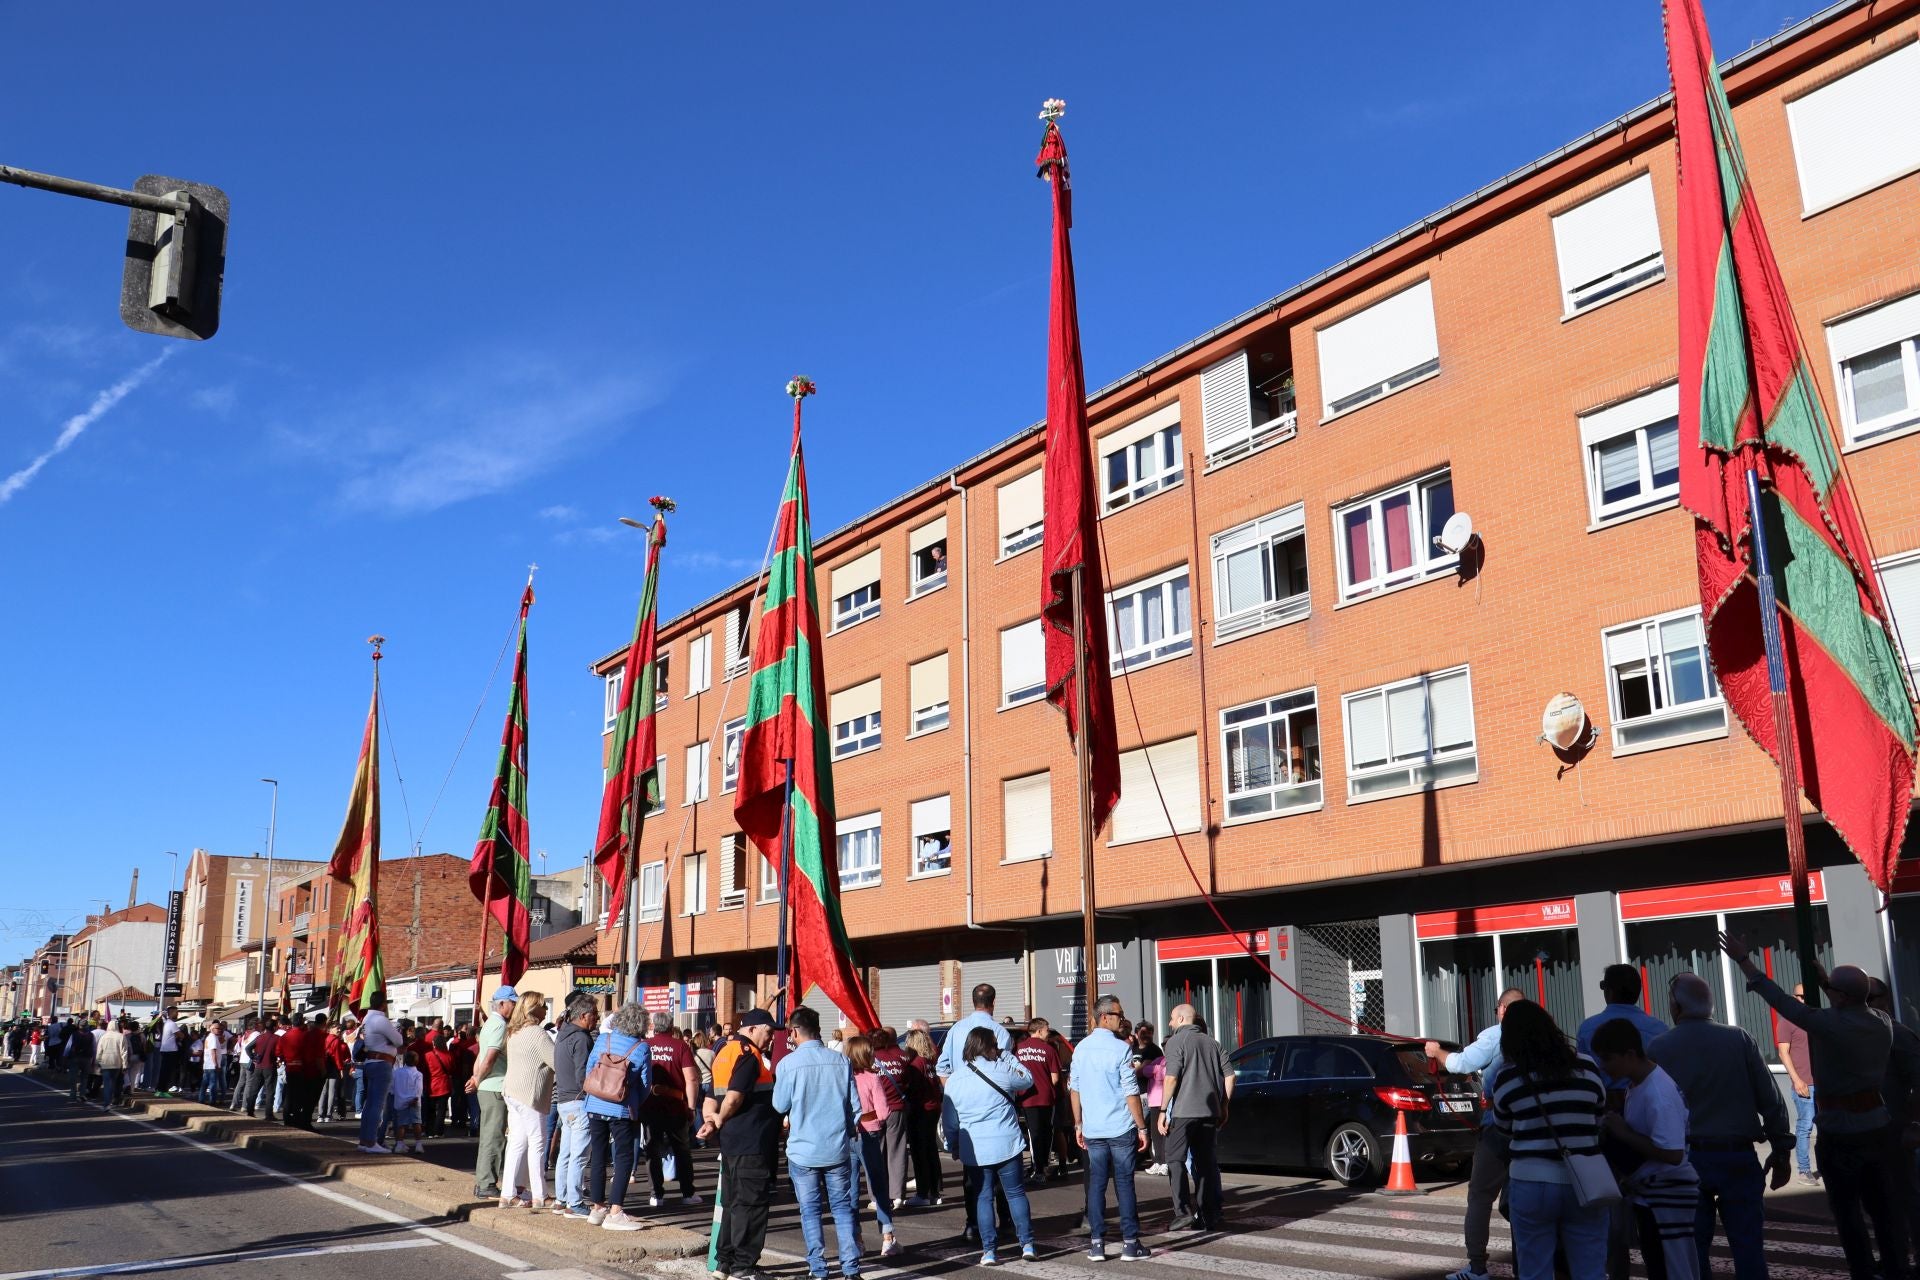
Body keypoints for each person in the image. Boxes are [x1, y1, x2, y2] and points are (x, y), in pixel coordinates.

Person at [1719, 932, 1910, 1277]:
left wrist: (1744, 961)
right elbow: (1849, 1005)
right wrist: (1827, 984)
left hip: (1840, 1127)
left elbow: (1780, 1000)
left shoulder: (1829, 1025)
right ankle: (1895, 1268)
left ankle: (1863, 1271)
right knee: (1883, 1207)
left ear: (1840, 996)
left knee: (1847, 1211)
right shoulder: (1881, 1022)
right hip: (1877, 1122)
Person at [1646, 971, 1791, 1280]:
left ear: (1676, 1006)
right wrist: (1781, 1149)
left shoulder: (1659, 1048)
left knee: (1694, 1251)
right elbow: (1771, 1099)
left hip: (1686, 1158)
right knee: (1749, 1248)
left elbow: (1652, 1108)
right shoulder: (1739, 1039)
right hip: (1737, 1154)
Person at [1488, 998, 1608, 1280]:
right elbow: (1598, 1117)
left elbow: (1503, 1127)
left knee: (1534, 1269)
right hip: (1585, 1180)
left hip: (1531, 1181)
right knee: (1590, 1268)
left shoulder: (1508, 1076)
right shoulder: (1587, 1067)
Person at [1428, 987, 1527, 1280]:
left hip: (1497, 1126)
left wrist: (1436, 1052)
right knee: (1522, 1197)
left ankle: (1477, 1266)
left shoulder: (1495, 1036)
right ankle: (1525, 1265)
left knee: (1481, 1196)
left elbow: (1461, 1063)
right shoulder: (1538, 1038)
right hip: (1530, 1125)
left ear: (1502, 1009)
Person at [1592, 1019, 1699, 1280]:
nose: (1603, 1066)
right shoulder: (1640, 1084)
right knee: (1661, 1264)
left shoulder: (1657, 1092)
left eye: (1607, 1058)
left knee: (1668, 1267)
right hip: (1653, 1194)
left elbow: (1672, 1153)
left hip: (1664, 1195)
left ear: (1630, 1054)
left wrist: (1623, 1133)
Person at [773, 1006, 863, 1280]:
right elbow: (855, 1107)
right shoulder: (841, 1061)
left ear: (794, 1031)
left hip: (803, 1149)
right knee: (842, 1209)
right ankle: (851, 1269)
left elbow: (779, 1105)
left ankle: (818, 1268)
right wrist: (846, 1130)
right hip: (836, 1148)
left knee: (810, 1211)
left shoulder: (788, 1064)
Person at [945, 1024, 1038, 1265]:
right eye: (996, 1046)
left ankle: (989, 1250)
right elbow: (1027, 1079)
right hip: (1007, 1143)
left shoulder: (955, 1080)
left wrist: (953, 1144)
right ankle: (1027, 1244)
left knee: (983, 1197)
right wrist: (1009, 1057)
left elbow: (950, 1120)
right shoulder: (1002, 1070)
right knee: (1015, 1193)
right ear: (989, 1047)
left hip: (975, 1148)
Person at [1069, 994, 1152, 1262]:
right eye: (1119, 1014)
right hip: (1119, 1127)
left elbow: (1074, 1089)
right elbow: (1130, 1092)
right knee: (1124, 1184)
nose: (1122, 1019)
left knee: (1096, 1185)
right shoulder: (1120, 1049)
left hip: (1093, 1128)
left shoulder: (1081, 1049)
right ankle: (1130, 1243)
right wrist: (1142, 1127)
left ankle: (1096, 1244)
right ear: (1104, 1017)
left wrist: (1078, 1123)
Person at [702, 1007, 781, 1280]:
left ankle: (724, 1263)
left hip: (732, 1143)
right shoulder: (748, 1055)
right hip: (752, 1141)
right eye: (768, 1032)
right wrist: (720, 1118)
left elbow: (710, 1097)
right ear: (752, 1029)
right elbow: (734, 1097)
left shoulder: (724, 1053)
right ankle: (743, 1267)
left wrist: (710, 1121)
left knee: (733, 1204)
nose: (771, 1037)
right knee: (751, 1205)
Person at [937, 985, 1013, 1243]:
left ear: (973, 1002)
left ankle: (973, 1225)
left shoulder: (956, 1030)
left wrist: (955, 1091)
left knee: (972, 1173)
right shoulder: (1000, 1032)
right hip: (994, 1106)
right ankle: (1005, 1221)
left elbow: (942, 1068)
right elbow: (1005, 1070)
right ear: (994, 1002)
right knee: (1001, 1168)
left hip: (965, 1107)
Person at [1159, 1001, 1232, 1231]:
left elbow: (1171, 1078)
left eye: (1172, 1018)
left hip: (1184, 1111)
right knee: (1205, 1162)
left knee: (1174, 1158)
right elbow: (1230, 1076)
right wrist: (1224, 1105)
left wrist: (1163, 1110)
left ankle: (1182, 1211)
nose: (1170, 1023)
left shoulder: (1176, 1041)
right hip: (1209, 1112)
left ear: (1181, 1019)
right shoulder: (1213, 1043)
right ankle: (1208, 1214)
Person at [1865, 975, 1920, 1269]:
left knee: (1907, 1196)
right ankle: (1895, 1258)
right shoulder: (1866, 1035)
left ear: (1884, 1000)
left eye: (1869, 999)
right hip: (1874, 1131)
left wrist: (1913, 1125)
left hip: (1897, 1130)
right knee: (1884, 1199)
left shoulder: (1898, 1035)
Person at [584, 999, 652, 1231]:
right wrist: (634, 1102)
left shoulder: (604, 1039)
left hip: (594, 1104)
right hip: (621, 1108)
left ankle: (597, 1207)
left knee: (598, 1155)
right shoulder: (641, 1048)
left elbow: (590, 1069)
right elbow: (645, 1085)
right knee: (623, 1157)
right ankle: (615, 1211)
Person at [845, 1034, 902, 1259]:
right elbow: (884, 1111)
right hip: (869, 1134)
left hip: (848, 1134)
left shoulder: (843, 1078)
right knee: (878, 1185)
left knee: (850, 1190)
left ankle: (856, 1239)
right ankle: (887, 1237)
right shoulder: (872, 1078)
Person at [501, 991, 555, 1210]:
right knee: (537, 1143)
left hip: (512, 1091)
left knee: (517, 1143)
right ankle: (540, 1195)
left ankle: (507, 1194)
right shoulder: (538, 1033)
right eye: (543, 1005)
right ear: (534, 1009)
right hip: (530, 1095)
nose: (546, 1009)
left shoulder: (514, 1032)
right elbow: (556, 1062)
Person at [643, 1011, 701, 1206]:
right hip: (676, 1107)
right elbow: (691, 1079)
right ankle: (687, 1193)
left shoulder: (645, 1045)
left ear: (653, 1026)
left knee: (653, 1150)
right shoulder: (681, 1046)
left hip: (650, 1106)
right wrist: (691, 1107)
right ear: (670, 1026)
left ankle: (656, 1195)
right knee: (682, 1149)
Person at [467, 985, 518, 1200]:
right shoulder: (499, 1025)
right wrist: (477, 1079)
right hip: (495, 1086)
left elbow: (481, 1057)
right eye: (513, 1003)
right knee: (494, 1137)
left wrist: (476, 1077)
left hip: (488, 1086)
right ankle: (487, 1183)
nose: (515, 1007)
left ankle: (483, 1181)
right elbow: (489, 1057)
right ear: (502, 1003)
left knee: (489, 1136)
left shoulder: (490, 1024)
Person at [551, 992, 599, 1219]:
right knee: (578, 1155)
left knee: (566, 1154)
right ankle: (575, 1202)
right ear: (584, 1015)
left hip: (563, 1100)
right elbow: (583, 1073)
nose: (597, 1018)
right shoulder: (582, 1038)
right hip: (578, 1101)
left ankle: (561, 1199)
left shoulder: (562, 1034)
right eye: (594, 1014)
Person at [1776, 984, 1818, 1184]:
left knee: (1827, 1127)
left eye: (1806, 996)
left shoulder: (1816, 1020)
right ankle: (1804, 1171)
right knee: (1805, 1127)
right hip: (1804, 1084)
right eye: (1800, 996)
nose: (1803, 999)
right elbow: (1783, 1052)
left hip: (1823, 1084)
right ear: (1794, 997)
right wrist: (1797, 1080)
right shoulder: (1787, 1021)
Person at [867, 1028, 913, 1212]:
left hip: (876, 1111)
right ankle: (898, 1195)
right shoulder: (900, 1058)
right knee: (897, 1152)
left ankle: (877, 1196)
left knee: (875, 1154)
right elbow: (908, 1081)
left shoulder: (869, 1060)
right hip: (897, 1109)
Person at [1012, 1019, 1061, 1184]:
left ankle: (1037, 1168)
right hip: (1046, 1096)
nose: (1048, 1033)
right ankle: (1042, 1167)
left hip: (1027, 1096)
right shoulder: (1049, 1049)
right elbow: (1055, 1078)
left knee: (1034, 1133)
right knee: (1046, 1132)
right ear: (1039, 1031)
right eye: (1047, 1030)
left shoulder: (1019, 1049)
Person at [902, 1026, 945, 1207]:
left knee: (920, 1153)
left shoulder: (916, 1064)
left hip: (920, 1110)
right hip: (933, 1108)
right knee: (931, 1151)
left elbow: (912, 1089)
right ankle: (935, 1191)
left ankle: (923, 1193)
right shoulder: (928, 1062)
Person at [356, 995, 404, 1154]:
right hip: (382, 1063)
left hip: (371, 1061)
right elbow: (399, 1041)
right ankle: (371, 1142)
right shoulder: (381, 1020)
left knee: (370, 1104)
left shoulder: (367, 1019)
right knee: (377, 1105)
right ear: (383, 1004)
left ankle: (364, 1140)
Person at [1131, 1023, 1167, 1175]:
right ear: (1136, 1033)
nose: (1146, 1035)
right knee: (1142, 1128)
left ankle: (1157, 1160)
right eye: (1143, 1033)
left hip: (1147, 1094)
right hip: (1136, 1093)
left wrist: (1133, 1070)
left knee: (1145, 1128)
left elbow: (1142, 1071)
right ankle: (1154, 1160)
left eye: (1149, 1032)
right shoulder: (1133, 1049)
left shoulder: (1153, 1050)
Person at [389, 1048, 425, 1153]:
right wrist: (416, 1098)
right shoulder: (418, 1074)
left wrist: (396, 1095)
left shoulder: (397, 1073)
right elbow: (419, 1088)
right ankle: (418, 1145)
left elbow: (392, 1087)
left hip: (400, 1101)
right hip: (414, 1101)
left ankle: (399, 1145)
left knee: (401, 1124)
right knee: (416, 1123)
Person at [96, 1017, 130, 1107]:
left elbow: (99, 1051)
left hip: (105, 1063)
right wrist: (125, 1065)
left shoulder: (104, 1037)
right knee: (117, 1082)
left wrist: (98, 1061)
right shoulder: (121, 1036)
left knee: (107, 1083)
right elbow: (124, 1052)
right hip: (117, 1063)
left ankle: (107, 1102)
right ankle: (115, 1099)